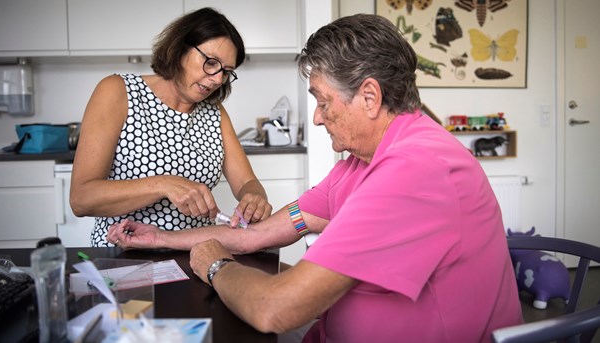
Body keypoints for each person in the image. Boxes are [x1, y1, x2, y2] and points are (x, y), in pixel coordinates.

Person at [108, 13, 523, 342]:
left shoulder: (415, 171)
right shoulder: (361, 161)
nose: (318, 117)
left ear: (370, 97)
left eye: (323, 101)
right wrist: (160, 238)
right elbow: (257, 235)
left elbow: (275, 309)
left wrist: (215, 264)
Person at [70, 8, 272, 247]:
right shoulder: (118, 91)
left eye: (226, 72)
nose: (218, 79)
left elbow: (247, 182)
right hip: (123, 256)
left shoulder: (214, 112)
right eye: (210, 63)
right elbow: (82, 199)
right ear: (180, 49)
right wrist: (163, 184)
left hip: (196, 255)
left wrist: (255, 198)